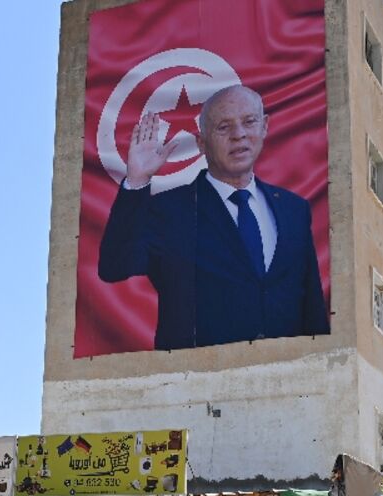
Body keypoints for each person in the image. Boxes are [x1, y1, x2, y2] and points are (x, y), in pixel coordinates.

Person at [98, 84, 330, 349]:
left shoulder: (294, 208)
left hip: (288, 378)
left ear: (264, 126)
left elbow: (311, 303)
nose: (239, 135)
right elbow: (114, 267)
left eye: (249, 122)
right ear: (201, 142)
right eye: (223, 127)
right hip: (199, 381)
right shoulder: (171, 209)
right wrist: (137, 181)